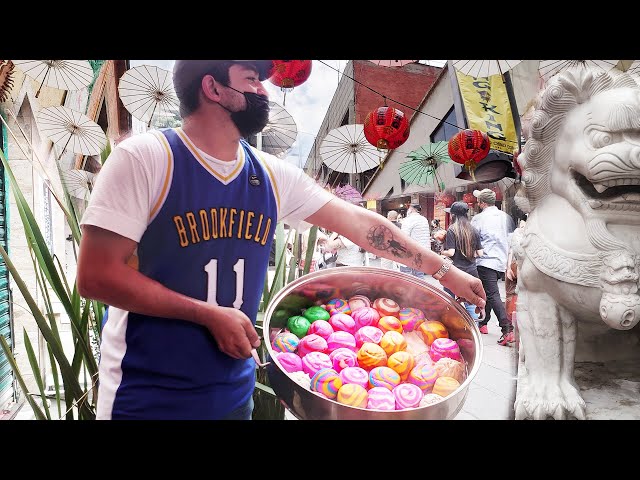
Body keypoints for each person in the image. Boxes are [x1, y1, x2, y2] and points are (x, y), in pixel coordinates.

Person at [76, 60, 486, 420]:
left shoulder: (270, 174)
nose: (263, 90)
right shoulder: (145, 159)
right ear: (213, 87)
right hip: (147, 395)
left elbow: (361, 225)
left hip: (233, 391)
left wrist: (443, 270)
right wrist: (206, 314)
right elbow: (96, 276)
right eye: (252, 79)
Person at [471, 188, 516, 346]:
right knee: (489, 293)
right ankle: (483, 324)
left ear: (482, 203)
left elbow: (473, 240)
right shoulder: (506, 217)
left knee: (492, 294)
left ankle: (507, 329)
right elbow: (512, 241)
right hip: (500, 262)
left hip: (485, 261)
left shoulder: (478, 219)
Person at [441, 201, 484, 321]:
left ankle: (450, 324)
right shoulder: (473, 229)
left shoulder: (452, 230)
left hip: (455, 272)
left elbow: (451, 253)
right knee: (470, 301)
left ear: (454, 215)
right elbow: (480, 253)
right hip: (471, 271)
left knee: (449, 300)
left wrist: (442, 252)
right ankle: (473, 327)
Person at [399, 203, 431, 278]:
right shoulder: (424, 219)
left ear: (412, 209)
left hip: (411, 252)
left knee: (406, 276)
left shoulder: (409, 220)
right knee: (419, 275)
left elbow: (403, 236)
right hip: (423, 251)